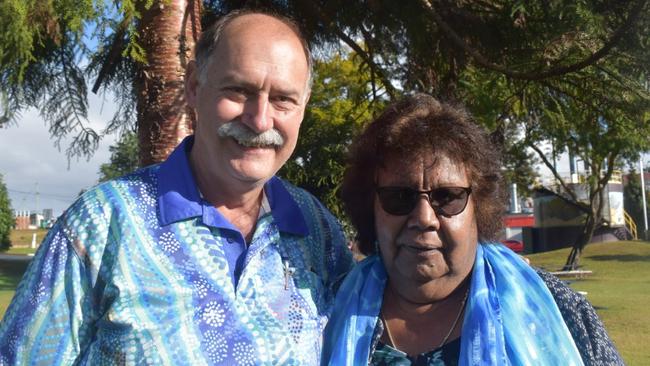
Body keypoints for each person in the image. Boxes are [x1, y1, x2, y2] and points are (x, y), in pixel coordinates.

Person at [0, 10, 352, 365]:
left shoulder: (317, 231)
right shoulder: (102, 223)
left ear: (302, 108)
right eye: (239, 91)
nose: (260, 119)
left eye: (282, 99)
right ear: (194, 87)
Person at [322, 94, 623, 365]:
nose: (424, 217)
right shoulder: (324, 316)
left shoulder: (560, 310)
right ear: (370, 206)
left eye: (447, 196)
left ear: (479, 206)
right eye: (399, 197)